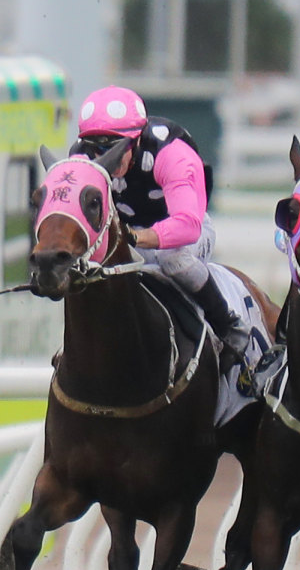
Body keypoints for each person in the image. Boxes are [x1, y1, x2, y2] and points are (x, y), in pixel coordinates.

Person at [73, 85, 254, 363]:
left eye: (115, 148)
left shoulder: (170, 152)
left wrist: (133, 237)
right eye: (98, 149)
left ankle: (228, 325)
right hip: (126, 236)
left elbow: (187, 226)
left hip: (184, 235)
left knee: (173, 258)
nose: (105, 159)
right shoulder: (80, 157)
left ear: (135, 140)